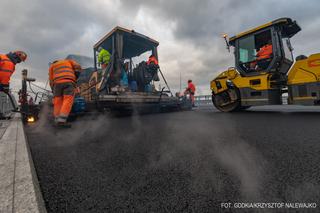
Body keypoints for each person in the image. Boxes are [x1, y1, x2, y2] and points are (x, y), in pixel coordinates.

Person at [49, 59, 82, 126]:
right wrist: (76, 76)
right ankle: (61, 121)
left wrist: (53, 90)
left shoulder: (52, 66)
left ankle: (57, 119)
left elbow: (51, 80)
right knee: (67, 100)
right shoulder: (68, 61)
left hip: (57, 84)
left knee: (57, 101)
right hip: (69, 82)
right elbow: (78, 66)